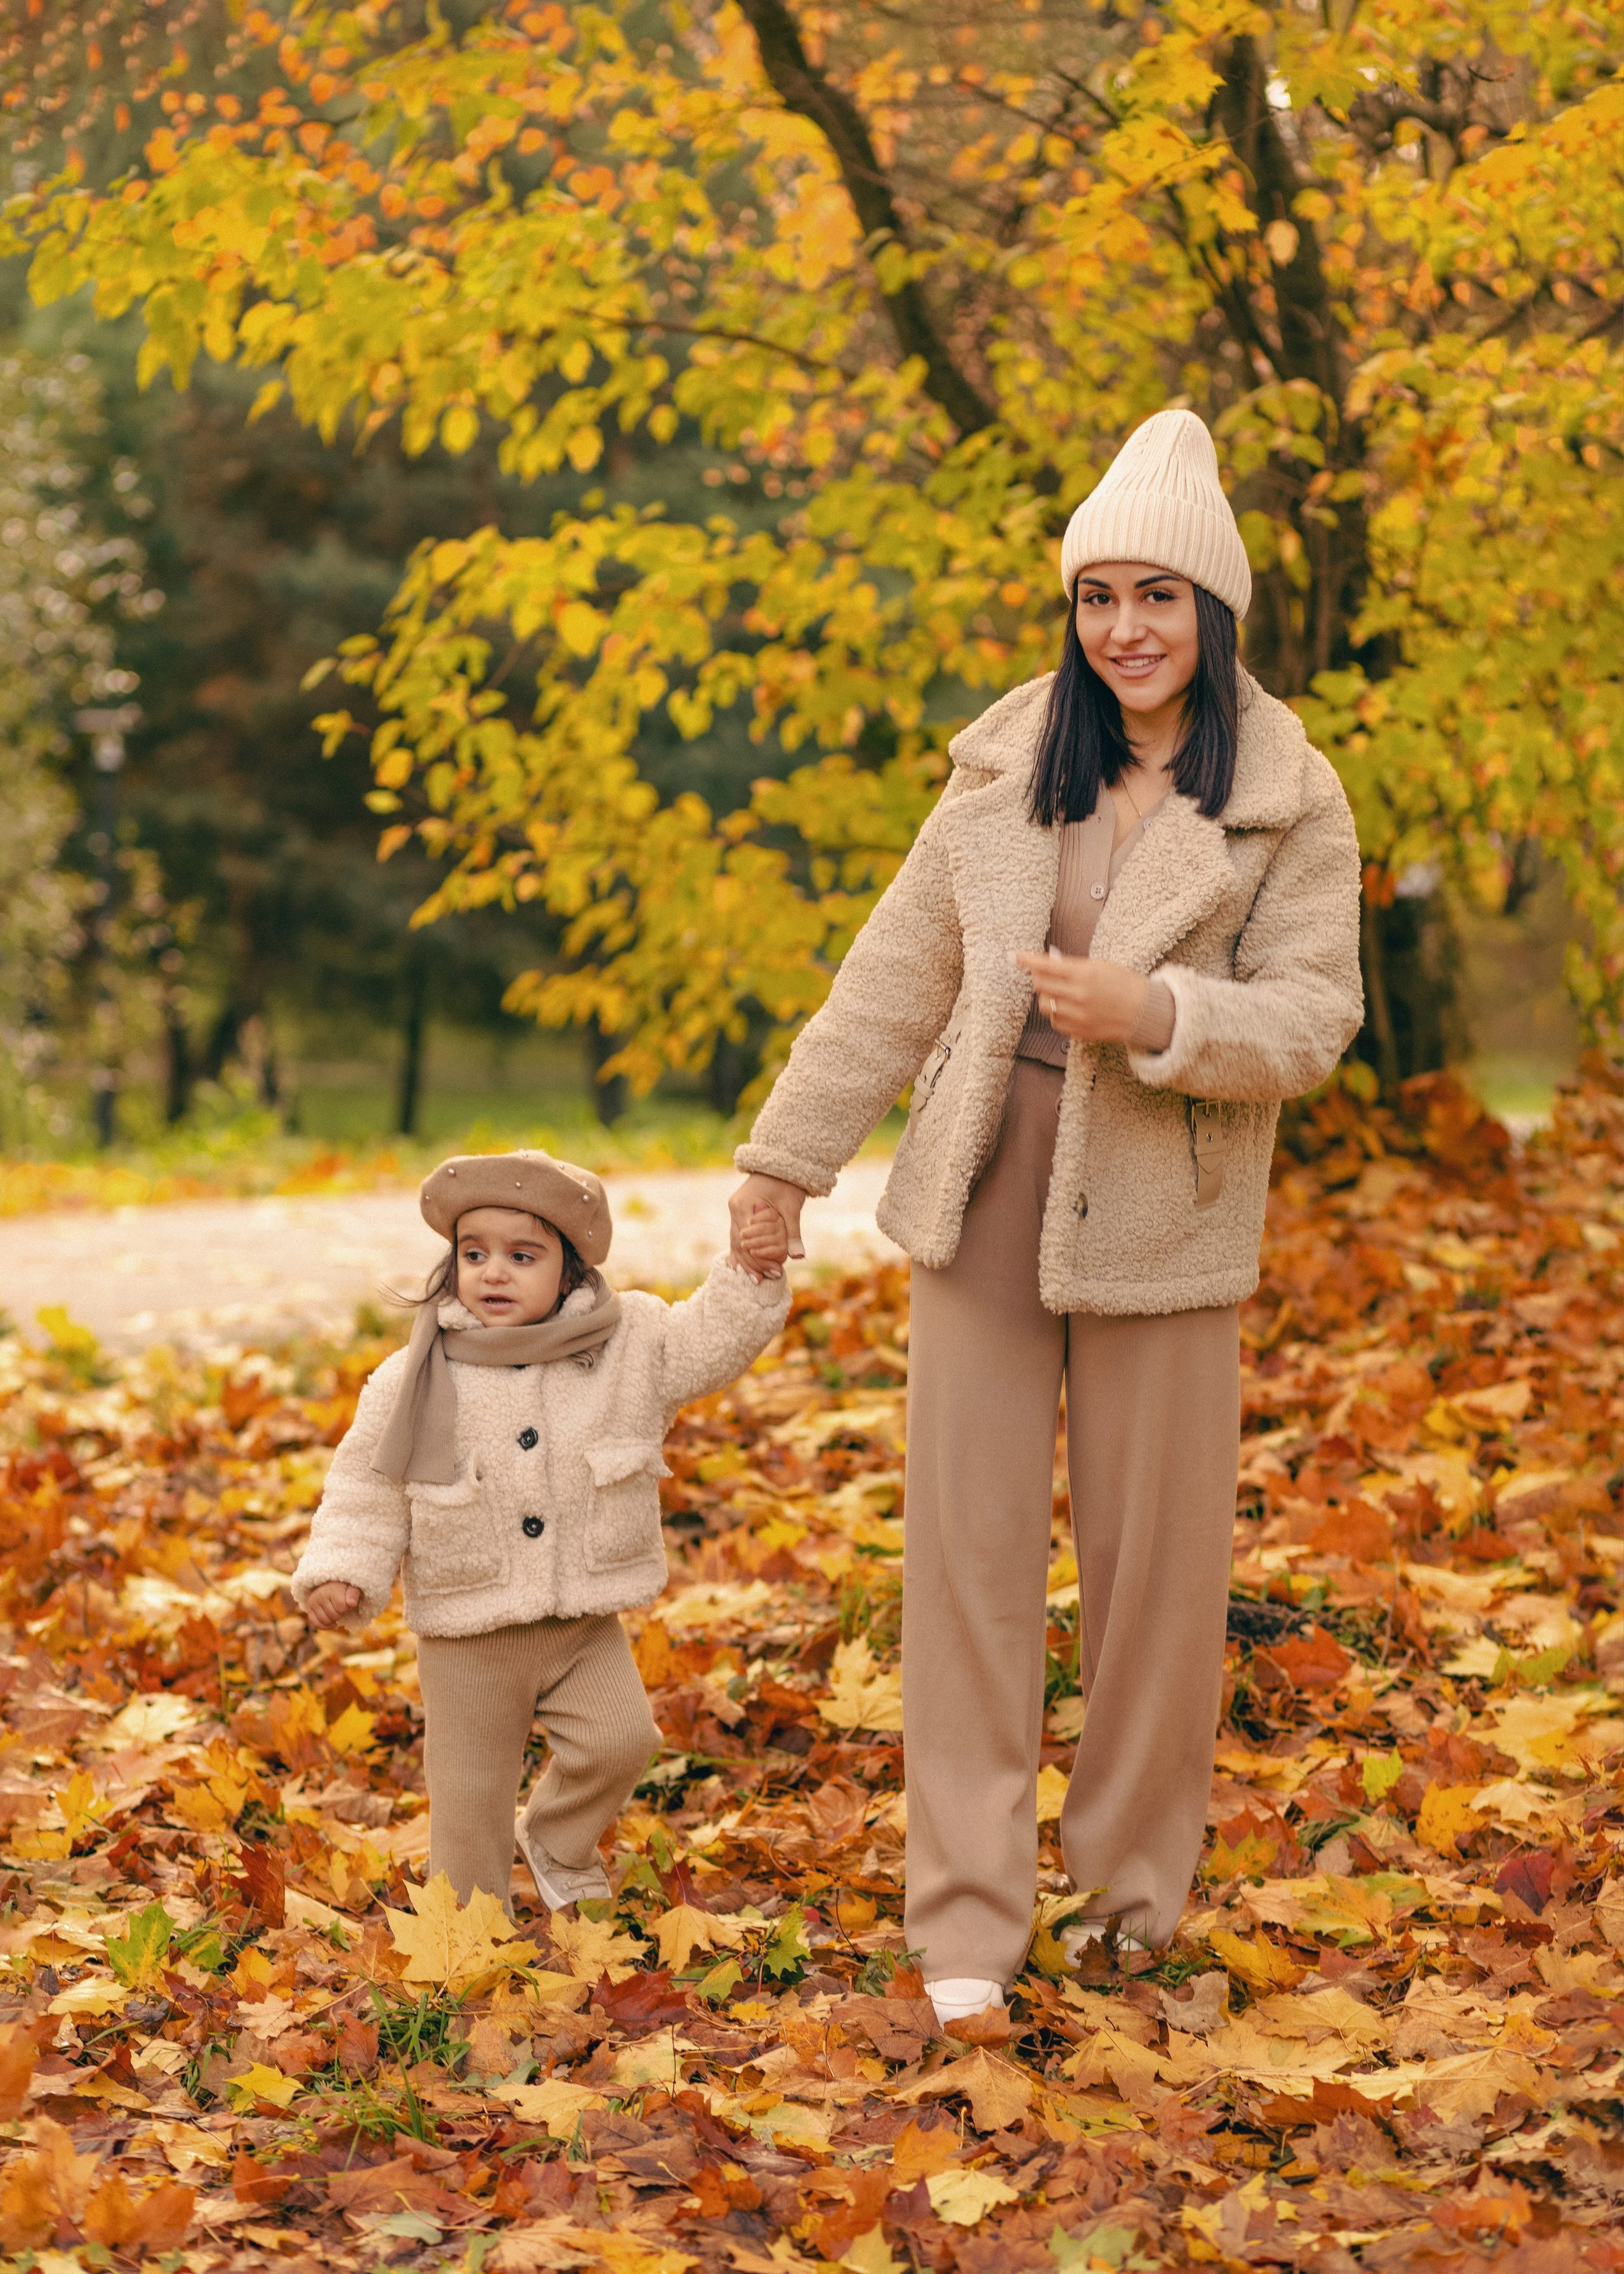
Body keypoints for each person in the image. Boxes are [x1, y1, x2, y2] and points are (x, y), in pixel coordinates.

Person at [727, 409, 1363, 2027]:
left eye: (1156, 597)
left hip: (1170, 1200)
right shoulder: (1006, 766)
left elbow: (1309, 1020)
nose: (1124, 629)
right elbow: (889, 985)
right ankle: (962, 1919)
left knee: (1157, 1574)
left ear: (1208, 616)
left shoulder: (1288, 796)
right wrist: (780, 1163)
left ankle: (1132, 1904)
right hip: (983, 1178)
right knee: (965, 1556)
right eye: (1097, 597)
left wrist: (1155, 1012)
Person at [293, 1150, 790, 1913]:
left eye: (522, 1256)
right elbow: (367, 1480)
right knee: (469, 1801)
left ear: (568, 1270)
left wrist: (749, 1272)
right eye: (474, 1254)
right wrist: (342, 1567)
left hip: (581, 1618)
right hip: (468, 1631)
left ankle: (557, 1837)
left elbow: (710, 1339)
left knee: (623, 1740)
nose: (493, 1272)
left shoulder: (628, 1346)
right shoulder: (415, 1374)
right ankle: (468, 1935)